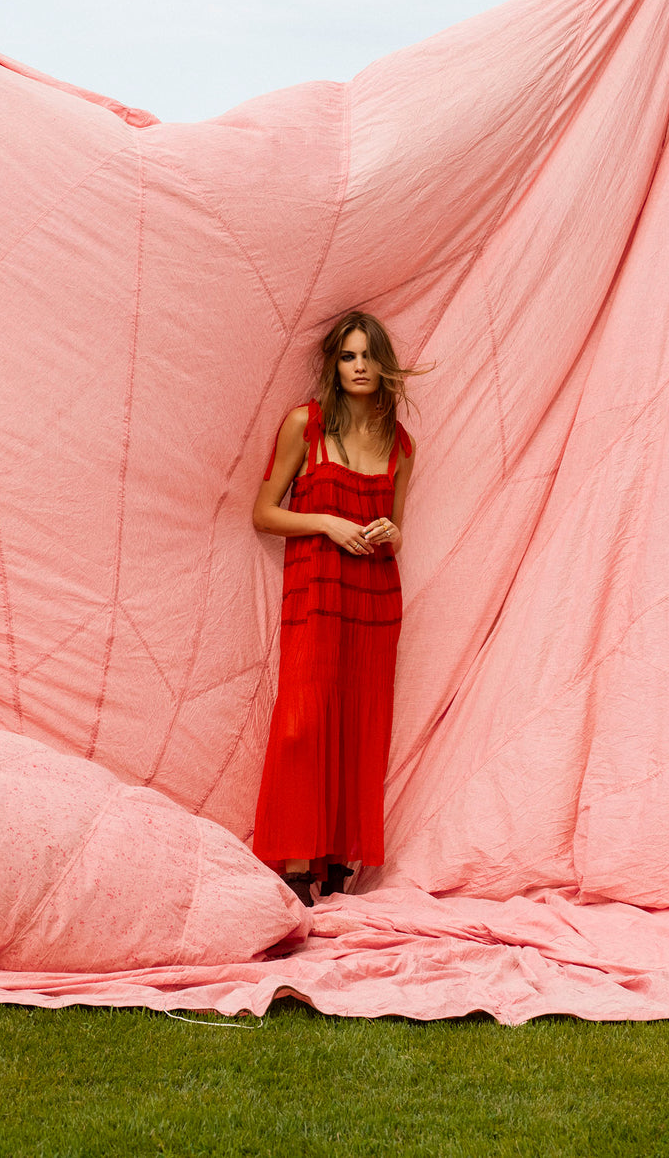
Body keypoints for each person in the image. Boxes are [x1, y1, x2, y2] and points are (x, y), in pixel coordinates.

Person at [251, 310, 418, 906]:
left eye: (369, 356)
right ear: (333, 364)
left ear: (385, 365)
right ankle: (296, 869)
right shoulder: (306, 425)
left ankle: (333, 868)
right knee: (303, 723)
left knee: (357, 726)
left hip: (374, 594)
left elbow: (398, 530)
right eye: (348, 356)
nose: (360, 367)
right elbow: (263, 512)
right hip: (316, 593)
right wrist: (325, 522)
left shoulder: (401, 444)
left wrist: (385, 534)